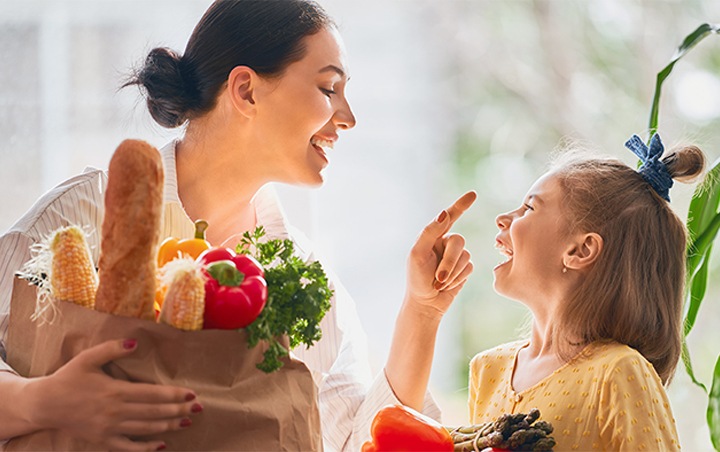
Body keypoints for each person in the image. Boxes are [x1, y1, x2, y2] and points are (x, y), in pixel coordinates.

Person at [0, 1, 476, 451]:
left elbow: (354, 440)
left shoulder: (304, 281)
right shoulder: (78, 218)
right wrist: (40, 400)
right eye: (329, 89)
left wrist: (422, 312)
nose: (348, 118)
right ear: (246, 90)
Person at [468, 134, 704, 450]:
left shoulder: (619, 372)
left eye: (529, 207)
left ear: (580, 250)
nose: (502, 219)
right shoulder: (488, 369)